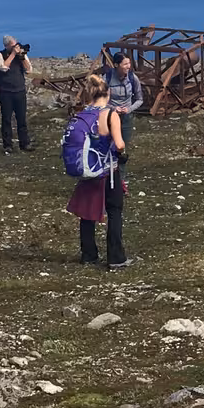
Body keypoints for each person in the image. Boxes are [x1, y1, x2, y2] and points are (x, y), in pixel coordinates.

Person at [65, 74, 129, 268]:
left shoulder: (82, 114)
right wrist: (123, 153)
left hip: (88, 170)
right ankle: (116, 257)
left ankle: (88, 254)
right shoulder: (110, 114)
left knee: (87, 214)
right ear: (107, 93)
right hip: (108, 171)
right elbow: (119, 144)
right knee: (114, 211)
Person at [0, 34, 32, 153]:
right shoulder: (0, 55)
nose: (16, 47)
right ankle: (7, 144)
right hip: (6, 93)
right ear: (7, 46)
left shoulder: (20, 55)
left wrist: (22, 56)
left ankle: (24, 143)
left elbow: (29, 70)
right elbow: (3, 67)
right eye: (13, 45)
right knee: (6, 119)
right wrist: (13, 54)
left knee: (22, 119)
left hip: (20, 91)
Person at [99, 47, 144, 146]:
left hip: (126, 117)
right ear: (116, 65)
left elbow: (140, 99)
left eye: (129, 63)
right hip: (110, 116)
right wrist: (113, 108)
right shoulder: (107, 78)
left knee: (123, 144)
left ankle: (121, 160)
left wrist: (129, 109)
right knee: (108, 143)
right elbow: (101, 101)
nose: (128, 66)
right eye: (125, 64)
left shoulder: (133, 78)